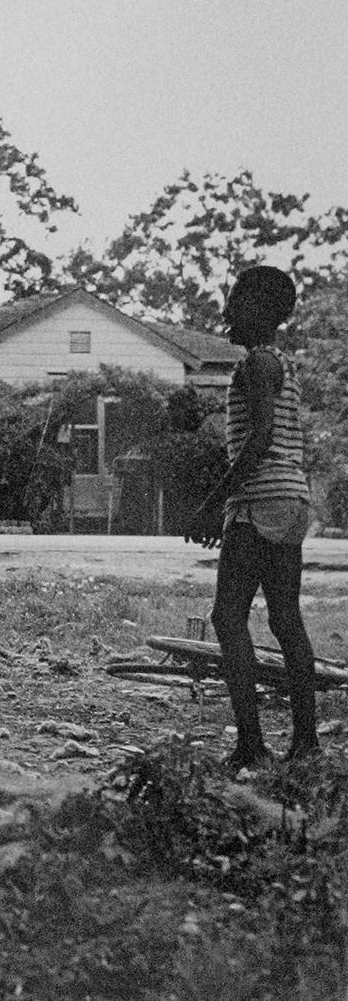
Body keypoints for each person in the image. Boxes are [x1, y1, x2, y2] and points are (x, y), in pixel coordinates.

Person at [185, 265, 318, 769]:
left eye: (237, 301)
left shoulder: (258, 364)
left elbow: (258, 439)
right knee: (285, 618)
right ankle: (305, 744)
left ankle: (251, 744)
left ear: (263, 311)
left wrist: (213, 503)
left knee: (228, 617)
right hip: (290, 498)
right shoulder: (280, 363)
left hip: (260, 500)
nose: (226, 312)